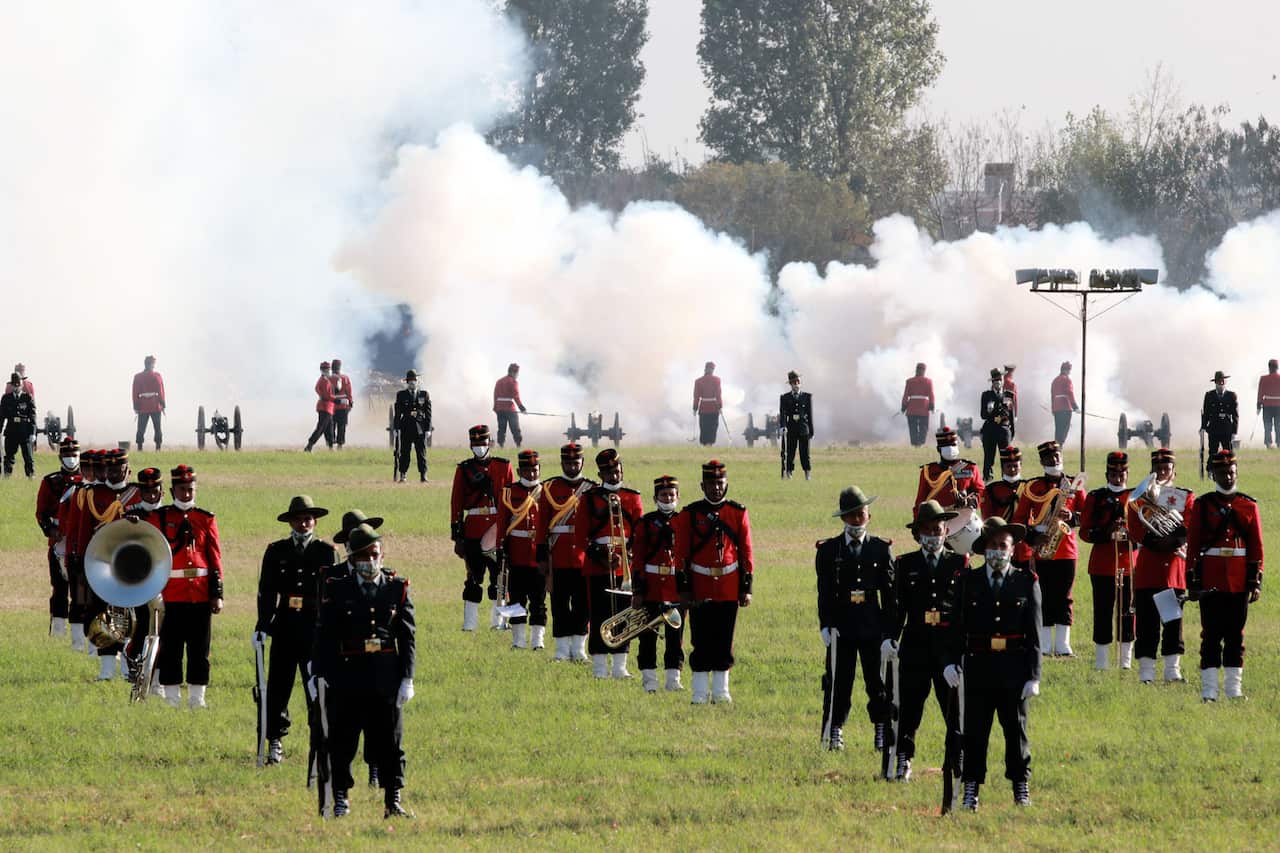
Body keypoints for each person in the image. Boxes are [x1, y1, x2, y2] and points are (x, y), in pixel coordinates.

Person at [312, 523, 416, 818]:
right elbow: (325, 635)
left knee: (390, 741)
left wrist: (407, 677)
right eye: (363, 557)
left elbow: (407, 637)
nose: (370, 561)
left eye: (374, 554)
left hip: (385, 677)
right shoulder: (337, 589)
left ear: (382, 554)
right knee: (342, 741)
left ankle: (392, 799)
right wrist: (319, 673)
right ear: (352, 559)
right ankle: (341, 798)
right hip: (348, 676)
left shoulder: (397, 587)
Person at [946, 517, 1041, 811]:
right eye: (992, 546)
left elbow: (1035, 632)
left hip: (1014, 669)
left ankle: (1020, 785)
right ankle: (972, 787)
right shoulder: (968, 581)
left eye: (1003, 546)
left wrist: (1033, 675)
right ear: (983, 550)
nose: (998, 551)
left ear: (1013, 550)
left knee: (1015, 730)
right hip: (978, 667)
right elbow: (956, 628)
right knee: (975, 732)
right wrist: (951, 661)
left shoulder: (1027, 582)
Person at [883, 500, 965, 781]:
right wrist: (889, 638)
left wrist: (962, 650)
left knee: (953, 709)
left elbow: (964, 611)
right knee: (909, 708)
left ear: (946, 531)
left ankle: (956, 761)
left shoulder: (959, 563)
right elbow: (897, 608)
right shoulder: (905, 564)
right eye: (928, 530)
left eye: (939, 529)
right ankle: (904, 759)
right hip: (915, 644)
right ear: (918, 534)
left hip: (947, 648)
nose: (934, 535)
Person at [253, 496, 338, 766]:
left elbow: (333, 594)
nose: (303, 523)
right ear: (290, 521)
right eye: (298, 519)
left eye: (308, 519)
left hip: (315, 628)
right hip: (286, 625)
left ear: (314, 521)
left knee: (317, 686)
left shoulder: (326, 552)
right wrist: (263, 624)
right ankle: (275, 741)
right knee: (278, 686)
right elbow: (266, 591)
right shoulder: (276, 550)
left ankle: (321, 739)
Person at [815, 485, 894, 750]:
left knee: (878, 683)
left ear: (869, 516)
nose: (857, 520)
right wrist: (825, 625)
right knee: (838, 682)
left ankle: (882, 729)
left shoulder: (881, 550)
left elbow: (890, 595)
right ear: (843, 518)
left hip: (873, 626)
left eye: (861, 514)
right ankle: (834, 729)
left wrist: (890, 633)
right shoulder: (828, 551)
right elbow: (824, 592)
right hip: (842, 627)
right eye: (851, 515)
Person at [1187, 450, 1264, 701]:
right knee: (1210, 634)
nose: (1228, 477)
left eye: (1231, 472)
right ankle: (1209, 690)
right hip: (1211, 578)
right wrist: (1193, 581)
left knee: (1235, 634)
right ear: (1214, 475)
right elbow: (1194, 544)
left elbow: (1256, 547)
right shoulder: (1203, 504)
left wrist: (1255, 581)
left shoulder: (1248, 505)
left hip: (1239, 580)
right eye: (1222, 473)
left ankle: (1233, 689)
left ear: (1236, 473)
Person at [150, 464, 224, 708]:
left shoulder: (205, 518)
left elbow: (214, 558)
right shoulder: (161, 517)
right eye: (182, 489)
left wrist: (217, 593)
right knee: (171, 648)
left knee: (199, 649)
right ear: (172, 490)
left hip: (200, 594)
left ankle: (197, 697)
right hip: (172, 594)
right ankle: (172, 697)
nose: (187, 494)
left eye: (190, 489)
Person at [681, 459, 753, 704]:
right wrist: (685, 589)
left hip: (728, 585)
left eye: (719, 483)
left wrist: (746, 588)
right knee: (700, 638)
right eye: (710, 484)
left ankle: (721, 691)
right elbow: (682, 554)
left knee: (724, 637)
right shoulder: (690, 514)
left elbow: (746, 552)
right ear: (702, 486)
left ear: (726, 484)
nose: (715, 488)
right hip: (700, 583)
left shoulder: (737, 512)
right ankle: (700, 693)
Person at [72, 448, 144, 679]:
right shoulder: (94, 494)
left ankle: (126, 666)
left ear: (127, 469)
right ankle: (106, 670)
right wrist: (83, 564)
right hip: (102, 564)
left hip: (131, 565)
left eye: (119, 469)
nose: (114, 474)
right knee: (102, 614)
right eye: (110, 469)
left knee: (130, 616)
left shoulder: (138, 494)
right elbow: (84, 533)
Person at [575, 448, 644, 679]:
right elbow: (581, 535)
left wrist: (630, 554)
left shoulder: (632, 497)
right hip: (598, 563)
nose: (614, 475)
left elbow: (640, 532)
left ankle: (620, 665)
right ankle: (599, 667)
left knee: (623, 613)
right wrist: (600, 555)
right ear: (600, 474)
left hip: (625, 563)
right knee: (599, 614)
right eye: (608, 472)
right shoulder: (589, 498)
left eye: (616, 470)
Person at [1126, 448, 1193, 684]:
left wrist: (1172, 541)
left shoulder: (1184, 496)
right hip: (1149, 567)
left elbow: (1190, 524)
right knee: (1147, 622)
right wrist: (1155, 541)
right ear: (1152, 471)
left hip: (1173, 569)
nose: (1163, 472)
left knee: (1173, 621)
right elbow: (1134, 526)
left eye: (1167, 469)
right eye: (1159, 469)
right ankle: (1146, 672)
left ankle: (1172, 669)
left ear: (1174, 471)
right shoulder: (1139, 499)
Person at [1013, 440, 1085, 657]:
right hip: (1042, 548)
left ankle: (1063, 643)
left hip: (1066, 548)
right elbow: (1020, 519)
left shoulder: (1074, 484)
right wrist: (1034, 537)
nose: (1054, 461)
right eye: (1049, 458)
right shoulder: (1032, 487)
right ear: (1042, 461)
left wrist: (1072, 517)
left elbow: (1087, 516)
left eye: (1057, 456)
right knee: (1042, 594)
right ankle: (1044, 644)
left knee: (1064, 595)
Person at [450, 425, 513, 631]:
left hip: (498, 530)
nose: (479, 447)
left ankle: (498, 622)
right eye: (475, 444)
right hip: (473, 531)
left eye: (483, 443)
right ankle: (470, 624)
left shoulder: (504, 466)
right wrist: (457, 537)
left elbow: (512, 501)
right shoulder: (464, 469)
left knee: (499, 578)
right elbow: (456, 503)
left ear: (490, 443)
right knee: (473, 578)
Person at [629, 474, 689, 693]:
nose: (668, 498)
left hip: (675, 588)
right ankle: (649, 679)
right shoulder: (645, 523)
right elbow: (638, 559)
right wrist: (638, 590)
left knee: (676, 636)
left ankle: (673, 678)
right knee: (648, 636)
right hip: (651, 587)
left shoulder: (685, 521)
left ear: (678, 496)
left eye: (671, 494)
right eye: (663, 495)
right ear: (655, 497)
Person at [536, 443, 594, 662]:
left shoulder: (591, 488)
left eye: (575, 462)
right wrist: (541, 554)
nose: (572, 466)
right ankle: (561, 648)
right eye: (568, 463)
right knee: (559, 603)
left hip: (583, 557)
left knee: (582, 604)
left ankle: (579, 647)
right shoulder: (549, 488)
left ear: (582, 463)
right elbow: (542, 525)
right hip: (557, 555)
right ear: (562, 463)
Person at [1078, 451, 1135, 670]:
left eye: (1122, 472)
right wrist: (1105, 533)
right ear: (1106, 473)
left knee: (1128, 613)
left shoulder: (1136, 496)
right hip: (1102, 564)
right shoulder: (1096, 497)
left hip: (1129, 563)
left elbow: (1144, 529)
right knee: (1102, 611)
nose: (1118, 476)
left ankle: (1125, 662)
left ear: (1127, 473)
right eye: (1113, 472)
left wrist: (1133, 535)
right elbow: (1084, 531)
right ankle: (1101, 661)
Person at [495, 450, 546, 651]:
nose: (531, 474)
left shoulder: (546, 492)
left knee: (539, 600)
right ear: (518, 471)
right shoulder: (508, 492)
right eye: (526, 470)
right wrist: (501, 547)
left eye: (534, 470)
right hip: (516, 553)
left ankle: (537, 640)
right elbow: (501, 523)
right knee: (516, 598)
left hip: (538, 554)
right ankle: (518, 640)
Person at [36, 436, 81, 638]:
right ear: (60, 456)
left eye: (74, 454)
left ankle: (80, 633)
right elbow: (41, 512)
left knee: (80, 588)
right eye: (67, 455)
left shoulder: (86, 481)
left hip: (79, 540)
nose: (70, 458)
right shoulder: (50, 481)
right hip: (58, 538)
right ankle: (58, 629)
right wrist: (50, 530)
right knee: (59, 586)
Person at [913, 426, 983, 516]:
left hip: (965, 517)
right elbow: (920, 501)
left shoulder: (969, 467)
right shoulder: (928, 471)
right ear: (938, 449)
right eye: (946, 446)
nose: (950, 449)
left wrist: (972, 500)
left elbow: (982, 492)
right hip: (938, 519)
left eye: (953, 445)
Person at [393, 370, 432, 483]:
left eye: (414, 380)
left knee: (421, 453)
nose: (412, 382)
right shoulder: (401, 395)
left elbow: (428, 413)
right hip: (406, 427)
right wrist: (396, 428)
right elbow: (397, 413)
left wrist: (428, 429)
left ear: (417, 381)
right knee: (405, 453)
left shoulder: (424, 394)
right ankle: (403, 474)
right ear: (407, 382)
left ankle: (423, 475)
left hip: (419, 428)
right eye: (410, 380)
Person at [979, 368, 1015, 481]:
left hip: (1004, 430)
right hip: (990, 429)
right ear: (992, 382)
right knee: (989, 457)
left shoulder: (1009, 395)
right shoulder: (986, 395)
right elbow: (983, 415)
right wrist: (994, 415)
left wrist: (1012, 431)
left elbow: (1011, 415)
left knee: (1006, 457)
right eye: (995, 380)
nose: (998, 382)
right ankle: (987, 477)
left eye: (999, 380)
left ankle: (1007, 477)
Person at [0, 372, 37, 477]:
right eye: (14, 384)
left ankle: (31, 477)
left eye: (18, 384)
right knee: (9, 457)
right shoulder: (6, 398)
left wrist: (33, 433)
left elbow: (33, 416)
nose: (17, 386)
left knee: (28, 457)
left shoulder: (28, 398)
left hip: (24, 431)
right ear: (11, 385)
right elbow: (1, 417)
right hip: (11, 431)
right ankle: (7, 477)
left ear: (22, 384)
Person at [780, 370, 814, 480]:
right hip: (791, 428)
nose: (796, 384)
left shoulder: (807, 397)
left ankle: (807, 473)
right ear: (790, 384)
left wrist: (811, 430)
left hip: (804, 428)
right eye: (794, 382)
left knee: (805, 453)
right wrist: (783, 426)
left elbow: (810, 414)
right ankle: (789, 472)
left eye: (798, 381)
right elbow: (783, 414)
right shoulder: (785, 398)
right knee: (790, 452)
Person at [131, 355, 166, 451]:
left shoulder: (138, 377)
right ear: (152, 364)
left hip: (143, 406)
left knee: (141, 429)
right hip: (155, 405)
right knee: (157, 428)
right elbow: (161, 391)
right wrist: (162, 403)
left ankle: (140, 447)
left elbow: (135, 393)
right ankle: (158, 447)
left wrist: (136, 405)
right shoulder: (157, 376)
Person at [1201, 370, 1239, 456]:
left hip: (1227, 430)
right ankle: (1211, 469)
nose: (1221, 383)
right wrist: (1203, 427)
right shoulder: (1209, 395)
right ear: (1215, 382)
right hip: (1213, 429)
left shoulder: (1231, 395)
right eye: (1219, 381)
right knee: (1213, 453)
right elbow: (1206, 413)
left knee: (1229, 454)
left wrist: (1234, 432)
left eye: (1223, 381)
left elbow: (1235, 415)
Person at [492, 363, 527, 449]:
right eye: (517, 373)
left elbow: (495, 396)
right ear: (513, 372)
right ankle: (518, 445)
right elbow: (516, 396)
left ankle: (501, 445)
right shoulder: (513, 382)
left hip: (500, 408)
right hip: (510, 409)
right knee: (515, 428)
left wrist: (495, 407)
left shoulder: (499, 381)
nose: (517, 375)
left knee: (501, 429)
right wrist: (522, 408)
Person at [900, 363, 935, 447]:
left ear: (916, 369)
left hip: (912, 408)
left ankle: (914, 443)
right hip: (923, 408)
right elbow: (931, 394)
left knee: (912, 427)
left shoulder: (909, 381)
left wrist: (903, 407)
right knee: (924, 427)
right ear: (924, 370)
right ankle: (920, 442)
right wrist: (932, 405)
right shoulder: (928, 381)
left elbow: (905, 395)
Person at [305, 361, 336, 452]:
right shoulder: (324, 381)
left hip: (327, 407)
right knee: (321, 428)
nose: (328, 370)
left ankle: (330, 447)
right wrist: (336, 399)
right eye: (327, 369)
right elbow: (327, 395)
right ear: (323, 370)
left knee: (329, 428)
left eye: (329, 369)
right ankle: (309, 446)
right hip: (325, 407)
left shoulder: (323, 380)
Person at [693, 362, 723, 446]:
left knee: (704, 427)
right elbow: (718, 394)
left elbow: (696, 396)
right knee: (712, 427)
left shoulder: (698, 381)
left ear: (705, 369)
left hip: (703, 408)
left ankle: (704, 443)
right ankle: (710, 443)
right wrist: (720, 406)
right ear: (712, 370)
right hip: (714, 407)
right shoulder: (717, 380)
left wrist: (695, 408)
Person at [1050, 362, 1079, 446]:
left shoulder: (1055, 380)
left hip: (1056, 408)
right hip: (1065, 407)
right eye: (1069, 370)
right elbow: (1070, 393)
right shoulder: (1067, 380)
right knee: (1064, 429)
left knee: (1058, 429)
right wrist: (1075, 406)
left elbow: (1052, 395)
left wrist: (1053, 408)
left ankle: (1056, 446)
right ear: (1066, 370)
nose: (1070, 372)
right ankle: (1060, 446)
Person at [330, 358, 354, 449]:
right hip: (343, 406)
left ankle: (331, 444)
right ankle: (340, 445)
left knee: (331, 426)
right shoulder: (345, 378)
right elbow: (349, 392)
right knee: (342, 426)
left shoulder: (328, 378)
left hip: (331, 406)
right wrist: (350, 402)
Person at [1257, 359, 1280, 449]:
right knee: (1278, 426)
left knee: (1267, 426)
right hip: (1278, 406)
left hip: (1267, 406)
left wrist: (1258, 404)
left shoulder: (1263, 378)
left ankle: (1268, 443)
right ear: (1277, 367)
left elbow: (1260, 392)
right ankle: (1279, 443)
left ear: (1269, 367)